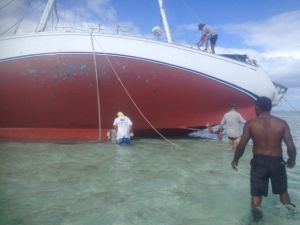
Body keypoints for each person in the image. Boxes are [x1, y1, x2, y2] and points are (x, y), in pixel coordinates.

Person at [231, 96, 297, 215]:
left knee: (256, 195)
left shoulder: (251, 124)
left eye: (255, 108)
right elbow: (291, 147)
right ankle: (291, 218)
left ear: (257, 107)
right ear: (270, 108)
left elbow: (241, 146)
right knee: (283, 192)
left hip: (259, 163)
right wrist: (292, 160)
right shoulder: (282, 123)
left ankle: (256, 220)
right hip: (277, 162)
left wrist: (235, 160)